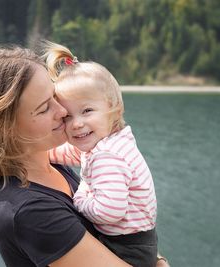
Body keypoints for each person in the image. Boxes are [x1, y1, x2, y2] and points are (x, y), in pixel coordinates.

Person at [0, 44, 170, 267]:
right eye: (44, 108)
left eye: (55, 96)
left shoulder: (51, 163)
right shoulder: (29, 211)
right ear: (3, 128)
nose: (63, 112)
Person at [45, 42, 159, 267]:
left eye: (87, 111)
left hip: (127, 249)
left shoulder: (108, 157)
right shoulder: (111, 141)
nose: (77, 124)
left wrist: (79, 197)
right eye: (67, 116)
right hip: (139, 241)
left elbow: (109, 212)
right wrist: (45, 154)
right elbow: (75, 153)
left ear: (113, 109)